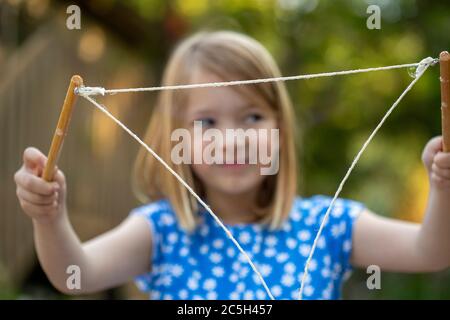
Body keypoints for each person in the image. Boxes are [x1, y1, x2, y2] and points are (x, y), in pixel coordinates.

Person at [13, 31, 450, 300]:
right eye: (207, 121)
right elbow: (75, 274)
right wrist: (49, 218)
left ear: (280, 128)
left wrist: (443, 188)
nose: (233, 139)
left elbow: (430, 252)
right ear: (175, 137)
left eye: (252, 117)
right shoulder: (161, 231)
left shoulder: (328, 225)